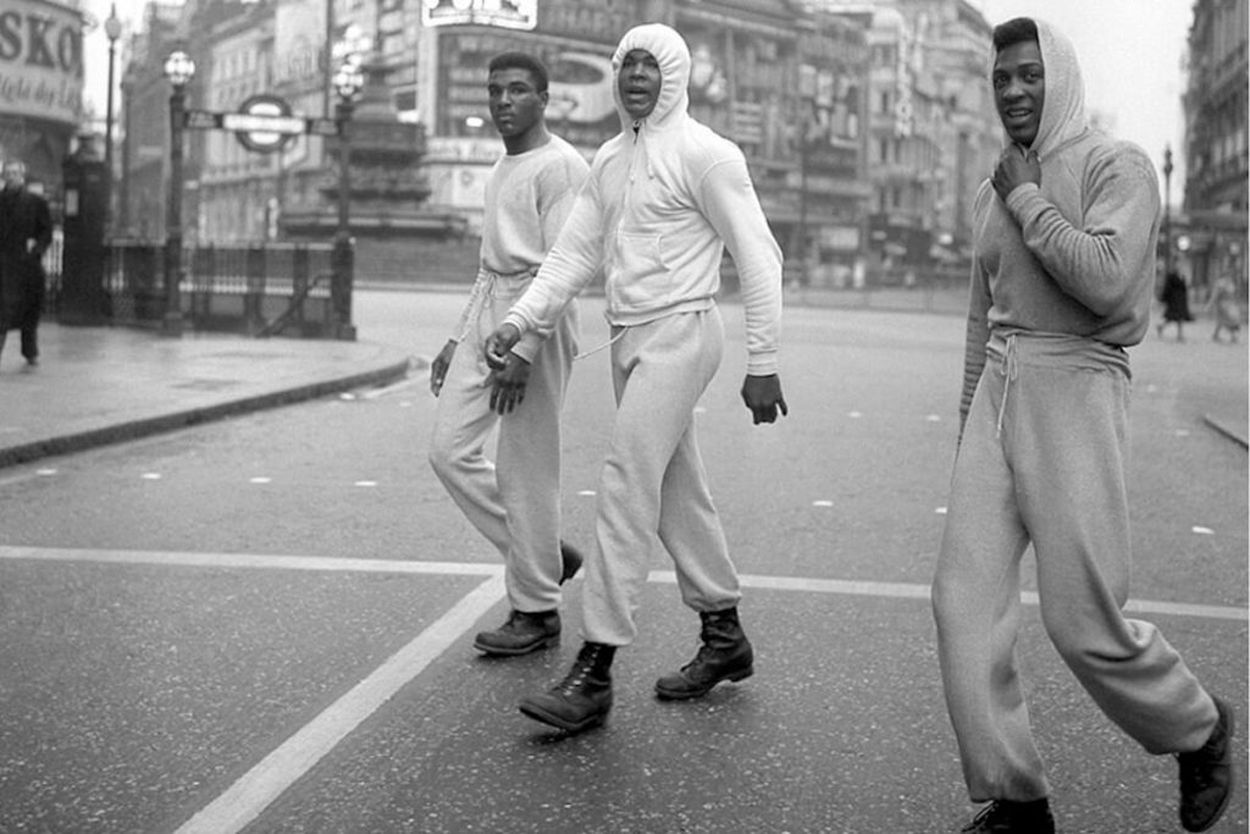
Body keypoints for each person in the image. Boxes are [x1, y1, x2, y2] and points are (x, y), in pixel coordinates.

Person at [931, 18, 1234, 834]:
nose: (1013, 91)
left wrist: (1027, 192)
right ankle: (1016, 798)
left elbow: (1105, 280)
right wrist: (968, 424)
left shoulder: (1118, 165)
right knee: (960, 601)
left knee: (1081, 617)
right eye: (1002, 79)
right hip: (999, 383)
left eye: (1029, 75)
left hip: (1078, 382)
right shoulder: (989, 187)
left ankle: (1197, 726)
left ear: (1058, 77)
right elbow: (978, 315)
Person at [485, 23, 787, 734]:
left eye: (651, 66)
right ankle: (723, 633)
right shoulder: (612, 158)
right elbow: (568, 257)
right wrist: (518, 322)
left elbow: (760, 256)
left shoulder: (708, 155)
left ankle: (595, 667)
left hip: (684, 332)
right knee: (676, 488)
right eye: (627, 65)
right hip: (630, 338)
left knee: (624, 480)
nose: (636, 77)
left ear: (675, 76)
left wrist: (764, 362)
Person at [426, 52, 589, 657]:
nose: (503, 101)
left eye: (518, 91)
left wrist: (527, 345)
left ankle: (537, 609)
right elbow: (488, 267)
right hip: (493, 307)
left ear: (544, 99)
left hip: (536, 317)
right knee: (447, 451)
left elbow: (564, 267)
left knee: (526, 469)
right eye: (495, 90)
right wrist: (456, 337)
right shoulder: (503, 165)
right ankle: (543, 557)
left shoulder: (562, 167)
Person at [0, 160, 53, 370]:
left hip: (26, 265)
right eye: (8, 173)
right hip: (3, 265)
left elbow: (46, 231)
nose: (11, 176)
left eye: (15, 173)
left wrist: (37, 250)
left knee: (29, 312)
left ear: (22, 176)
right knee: (2, 310)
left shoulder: (36, 202)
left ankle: (30, 351)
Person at [1157, 268, 1192, 341]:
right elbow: (1168, 288)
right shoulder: (1172, 276)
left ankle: (1178, 334)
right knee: (1174, 317)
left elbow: (1184, 288)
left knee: (1178, 317)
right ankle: (1178, 334)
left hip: (1180, 300)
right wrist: (1165, 299)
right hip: (1174, 300)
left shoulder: (1182, 276)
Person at [1208, 270, 1242, 344]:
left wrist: (1236, 302)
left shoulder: (1231, 283)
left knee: (1223, 320)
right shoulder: (1220, 283)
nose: (1231, 276)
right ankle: (1233, 336)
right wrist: (1210, 304)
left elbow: (1233, 295)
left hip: (1230, 304)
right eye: (1230, 274)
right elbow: (1215, 294)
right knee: (1229, 319)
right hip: (1222, 304)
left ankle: (1215, 335)